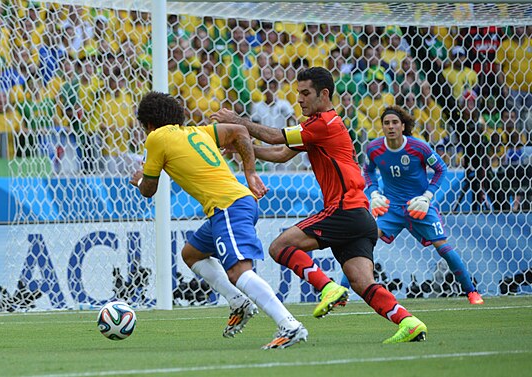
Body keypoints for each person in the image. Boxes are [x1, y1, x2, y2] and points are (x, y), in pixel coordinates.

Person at [211, 67, 427, 344]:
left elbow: (276, 137)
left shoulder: (323, 124)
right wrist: (243, 150)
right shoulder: (317, 128)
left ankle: (327, 288)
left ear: (324, 94)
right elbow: (280, 153)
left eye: (305, 93)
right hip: (360, 216)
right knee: (362, 282)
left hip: (343, 208)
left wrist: (237, 123)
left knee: (279, 247)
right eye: (298, 93)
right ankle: (408, 322)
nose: (299, 99)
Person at [132, 91, 308, 349]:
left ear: (148, 124)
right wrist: (249, 173)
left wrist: (137, 179)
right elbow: (239, 131)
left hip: (228, 207)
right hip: (233, 205)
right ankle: (238, 302)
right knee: (191, 253)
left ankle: (290, 325)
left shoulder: (156, 138)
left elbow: (148, 190)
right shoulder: (198, 132)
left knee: (238, 271)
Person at [364, 105, 484, 305]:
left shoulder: (419, 147)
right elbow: (368, 171)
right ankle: (343, 292)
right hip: (391, 208)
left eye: (395, 123)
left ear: (403, 126)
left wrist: (427, 197)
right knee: (364, 239)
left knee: (443, 247)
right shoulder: (374, 148)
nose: (390, 127)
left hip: (418, 207)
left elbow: (440, 169)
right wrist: (374, 193)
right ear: (382, 127)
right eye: (386, 123)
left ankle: (471, 292)